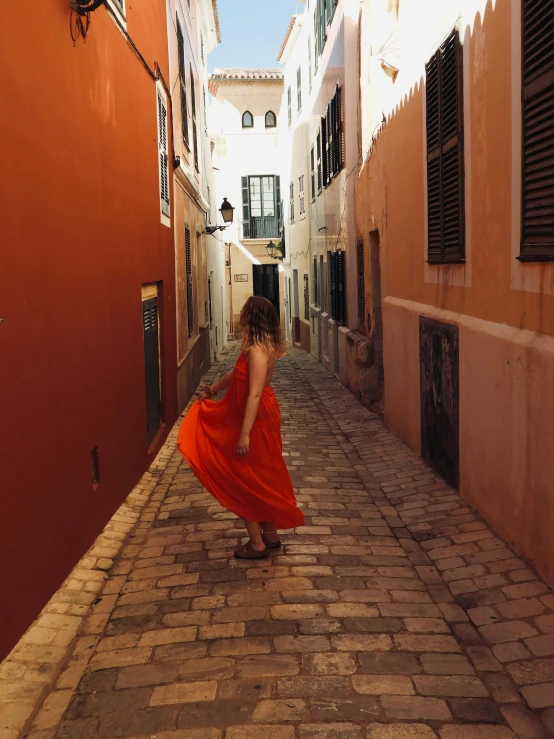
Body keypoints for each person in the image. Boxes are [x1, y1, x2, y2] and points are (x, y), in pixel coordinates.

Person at [177, 296, 304, 559]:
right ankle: (270, 536)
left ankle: (256, 544)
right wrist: (212, 390)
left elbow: (254, 394)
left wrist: (245, 433)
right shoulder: (253, 346)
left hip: (256, 418)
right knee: (260, 476)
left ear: (253, 316)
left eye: (245, 308)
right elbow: (236, 375)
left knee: (243, 478)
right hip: (250, 415)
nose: (241, 311)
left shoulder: (258, 351)